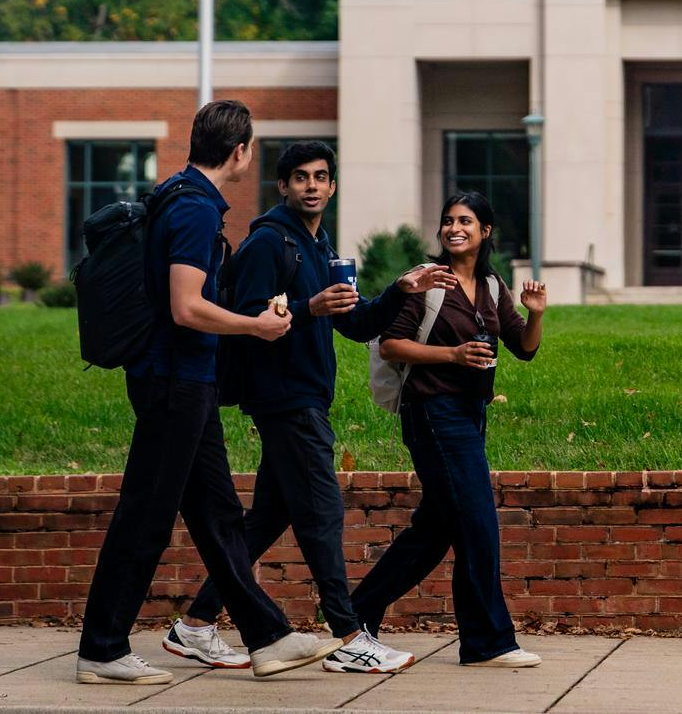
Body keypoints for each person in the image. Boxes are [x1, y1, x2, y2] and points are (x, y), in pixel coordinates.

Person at [76, 100, 346, 685]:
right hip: (173, 381)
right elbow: (186, 305)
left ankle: (268, 638)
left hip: (186, 381)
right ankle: (101, 648)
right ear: (240, 151)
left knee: (220, 514)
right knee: (146, 515)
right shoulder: (196, 208)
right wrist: (256, 325)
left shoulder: (178, 193)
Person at [166, 140, 450, 675]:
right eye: (301, 177)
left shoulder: (320, 249)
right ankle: (348, 634)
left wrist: (401, 291)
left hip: (307, 395)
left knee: (269, 517)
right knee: (322, 512)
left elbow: (355, 323)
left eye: (321, 177)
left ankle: (196, 624)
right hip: (283, 399)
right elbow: (243, 321)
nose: (312, 186)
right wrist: (306, 306)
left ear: (333, 186)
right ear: (283, 186)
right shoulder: (270, 244)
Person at [350, 191, 548, 666]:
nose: (454, 228)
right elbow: (393, 346)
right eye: (447, 221)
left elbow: (523, 346)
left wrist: (536, 312)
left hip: (470, 413)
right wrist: (453, 355)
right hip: (433, 413)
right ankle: (487, 642)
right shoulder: (427, 282)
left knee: (436, 529)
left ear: (485, 232)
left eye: (465, 220)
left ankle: (355, 613)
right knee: (478, 523)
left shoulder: (492, 286)